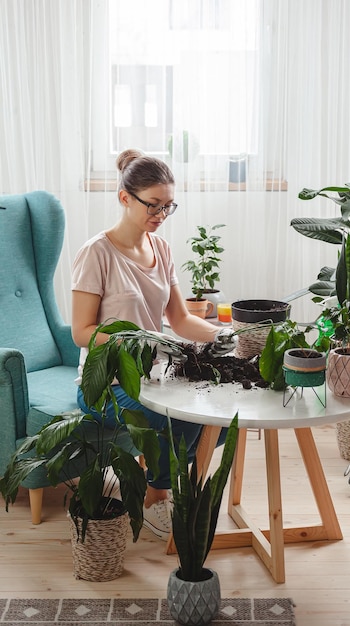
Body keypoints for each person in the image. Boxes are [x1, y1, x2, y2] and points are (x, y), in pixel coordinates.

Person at [71, 148, 234, 541]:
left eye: (168, 207)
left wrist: (223, 335)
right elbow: (82, 331)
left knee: (224, 416)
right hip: (106, 384)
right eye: (154, 205)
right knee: (176, 419)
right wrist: (142, 340)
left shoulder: (160, 249)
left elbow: (180, 319)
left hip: (155, 377)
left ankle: (173, 484)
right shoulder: (97, 253)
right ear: (125, 198)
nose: (161, 216)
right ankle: (158, 493)